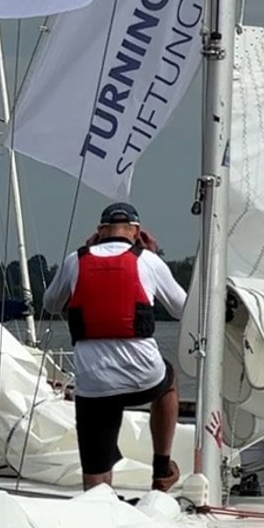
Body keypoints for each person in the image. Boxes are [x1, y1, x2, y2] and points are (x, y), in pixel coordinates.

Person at [42, 202, 188, 493]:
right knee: (169, 382)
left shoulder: (75, 260)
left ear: (99, 232)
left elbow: (50, 304)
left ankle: (100, 494)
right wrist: (154, 256)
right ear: (136, 232)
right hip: (143, 377)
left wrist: (83, 260)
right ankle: (161, 469)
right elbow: (183, 309)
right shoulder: (148, 260)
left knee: (95, 483)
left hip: (94, 384)